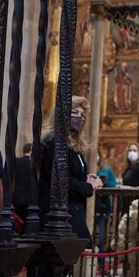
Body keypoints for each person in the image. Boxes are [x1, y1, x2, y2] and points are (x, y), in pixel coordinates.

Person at [38, 96, 103, 242]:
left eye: (82, 115)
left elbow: (71, 173)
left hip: (72, 211)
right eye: (74, 113)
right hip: (56, 214)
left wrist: (86, 178)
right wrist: (87, 186)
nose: (79, 118)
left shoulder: (74, 146)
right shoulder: (53, 142)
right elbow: (60, 180)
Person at [95, 153, 117, 271]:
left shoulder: (106, 169)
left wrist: (105, 182)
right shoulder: (88, 166)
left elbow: (114, 184)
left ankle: (101, 265)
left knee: (101, 237)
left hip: (104, 205)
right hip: (90, 205)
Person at [12, 143, 33, 225]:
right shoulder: (33, 164)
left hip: (17, 197)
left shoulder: (17, 161)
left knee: (18, 223)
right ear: (31, 151)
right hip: (29, 198)